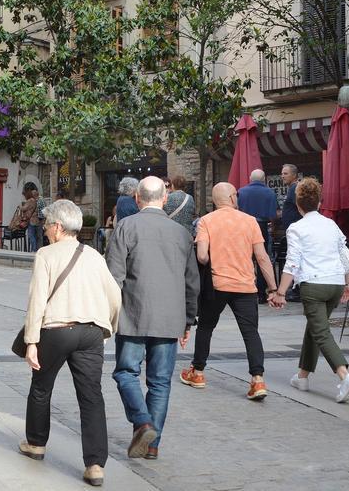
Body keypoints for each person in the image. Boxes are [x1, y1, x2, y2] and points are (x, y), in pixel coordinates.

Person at [18, 200, 121, 487]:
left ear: (59, 227)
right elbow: (115, 296)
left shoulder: (46, 254)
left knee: (41, 387)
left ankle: (36, 444)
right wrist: (107, 326)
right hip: (90, 333)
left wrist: (31, 342)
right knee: (91, 396)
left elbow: (37, 299)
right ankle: (95, 464)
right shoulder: (94, 256)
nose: (45, 229)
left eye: (47, 224)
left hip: (57, 330)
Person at [107, 176, 199, 460]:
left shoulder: (125, 226)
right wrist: (188, 319)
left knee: (126, 372)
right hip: (170, 317)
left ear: (137, 199)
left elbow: (113, 277)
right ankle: (153, 443)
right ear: (164, 199)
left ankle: (143, 421)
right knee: (160, 381)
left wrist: (108, 316)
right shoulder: (182, 233)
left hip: (133, 313)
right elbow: (192, 281)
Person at [182, 182, 278, 400]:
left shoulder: (206, 221)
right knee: (250, 332)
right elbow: (262, 257)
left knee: (206, 327)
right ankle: (257, 379)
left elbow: (202, 256)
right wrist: (273, 288)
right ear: (234, 198)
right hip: (245, 286)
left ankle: (197, 372)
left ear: (215, 201)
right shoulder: (250, 221)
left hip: (217, 285)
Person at [270, 178, 349, 403]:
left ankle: (344, 375)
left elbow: (292, 263)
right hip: (336, 282)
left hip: (313, 284)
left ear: (298, 205)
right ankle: (302, 376)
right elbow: (344, 256)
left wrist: (280, 292)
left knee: (321, 331)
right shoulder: (331, 224)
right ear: (319, 202)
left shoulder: (296, 228)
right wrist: (347, 283)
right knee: (315, 327)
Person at [238, 169, 278, 303]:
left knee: (245, 259)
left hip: (244, 228)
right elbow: (273, 215)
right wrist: (273, 228)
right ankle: (261, 293)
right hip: (262, 227)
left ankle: (245, 289)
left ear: (250, 178)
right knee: (263, 259)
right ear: (264, 179)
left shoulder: (241, 192)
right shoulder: (270, 192)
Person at [281, 164, 302, 302]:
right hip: (293, 230)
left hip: (297, 231)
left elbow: (301, 207)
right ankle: (296, 288)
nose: (282, 176)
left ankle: (297, 290)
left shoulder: (295, 188)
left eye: (285, 173)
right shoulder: (292, 188)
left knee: (295, 259)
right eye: (282, 173)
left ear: (294, 175)